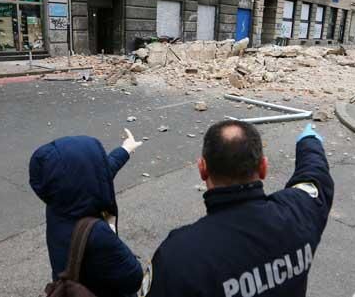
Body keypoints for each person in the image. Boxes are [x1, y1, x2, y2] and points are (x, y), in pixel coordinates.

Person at [141, 121, 334, 297]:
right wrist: (309, 142)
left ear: (202, 169)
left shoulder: (178, 257)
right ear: (263, 168)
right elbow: (314, 176)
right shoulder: (297, 213)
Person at [29, 129, 144, 297]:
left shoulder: (58, 205)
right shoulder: (98, 234)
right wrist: (112, 237)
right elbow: (133, 278)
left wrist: (125, 149)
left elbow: (101, 175)